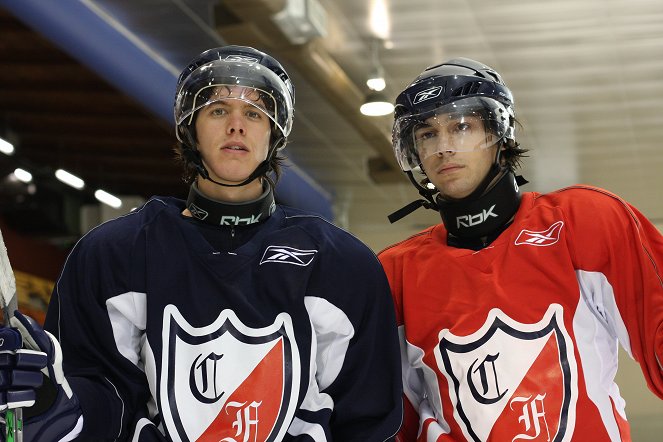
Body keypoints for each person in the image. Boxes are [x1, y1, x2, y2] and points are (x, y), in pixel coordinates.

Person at [0, 45, 403, 441]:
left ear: (274, 133)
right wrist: (56, 407)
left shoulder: (341, 264)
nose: (236, 125)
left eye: (254, 113)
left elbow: (367, 419)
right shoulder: (112, 255)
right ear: (189, 128)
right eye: (217, 110)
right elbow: (102, 400)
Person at [378, 57, 663, 441]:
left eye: (461, 127)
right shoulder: (394, 273)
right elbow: (388, 421)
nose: (443, 147)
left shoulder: (584, 222)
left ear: (500, 132)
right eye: (427, 134)